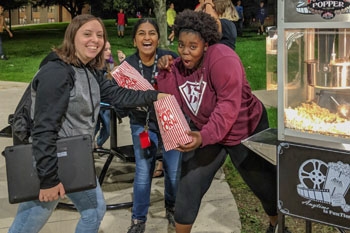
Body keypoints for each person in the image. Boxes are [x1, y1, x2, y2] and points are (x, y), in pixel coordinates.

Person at [8, 14, 167, 233]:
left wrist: (153, 96)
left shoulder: (89, 68)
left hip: (73, 157)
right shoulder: (57, 72)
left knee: (93, 211)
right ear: (72, 36)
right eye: (87, 34)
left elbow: (116, 95)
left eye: (100, 35)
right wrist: (48, 180)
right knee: (29, 224)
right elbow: (44, 129)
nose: (95, 40)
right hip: (52, 160)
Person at [157, 10, 291, 233]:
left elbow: (227, 107)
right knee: (188, 185)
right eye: (181, 45)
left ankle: (277, 226)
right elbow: (171, 99)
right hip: (208, 132)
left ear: (206, 44)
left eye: (193, 46)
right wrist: (165, 72)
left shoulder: (223, 58)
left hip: (244, 129)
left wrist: (203, 136)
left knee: (264, 186)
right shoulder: (179, 66)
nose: (186, 52)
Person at [120, 18, 181, 233]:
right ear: (135, 39)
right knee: (144, 171)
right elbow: (121, 100)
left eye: (152, 33)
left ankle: (172, 208)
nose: (147, 38)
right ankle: (138, 220)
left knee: (173, 172)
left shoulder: (170, 58)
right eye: (142, 33)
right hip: (142, 124)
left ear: (158, 37)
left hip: (171, 121)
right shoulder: (127, 66)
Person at [94, 41, 116, 150]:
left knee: (108, 128)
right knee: (94, 127)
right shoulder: (94, 66)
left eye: (109, 49)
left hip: (107, 103)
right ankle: (88, 147)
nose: (109, 52)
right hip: (97, 103)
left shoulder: (110, 63)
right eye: (105, 49)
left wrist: (121, 62)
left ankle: (98, 144)